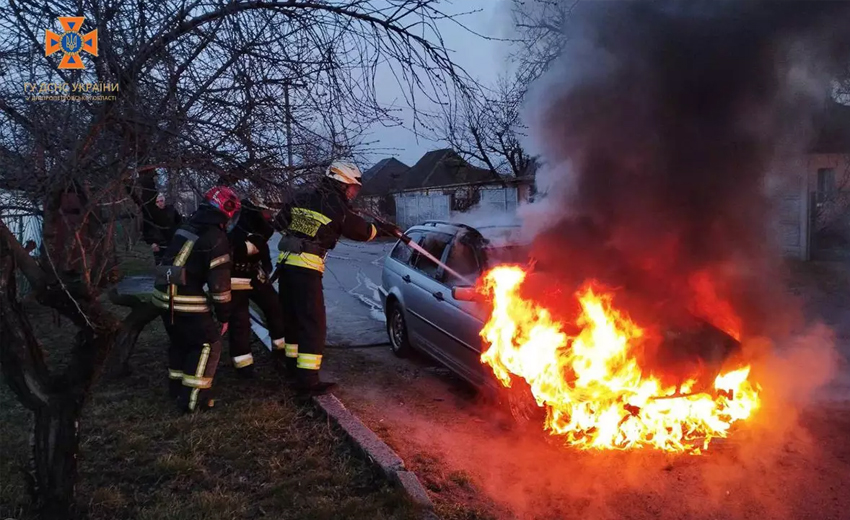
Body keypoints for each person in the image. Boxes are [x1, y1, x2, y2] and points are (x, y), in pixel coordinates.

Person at [273, 161, 401, 394]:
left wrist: (302, 231)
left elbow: (279, 222)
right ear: (341, 184)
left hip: (286, 265)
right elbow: (361, 232)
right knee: (313, 324)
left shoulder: (302, 198)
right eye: (353, 187)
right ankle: (308, 381)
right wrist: (384, 229)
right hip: (307, 269)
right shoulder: (335, 206)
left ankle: (291, 368)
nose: (354, 193)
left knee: (292, 318)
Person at [152, 186, 240, 413]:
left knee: (181, 341)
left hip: (163, 296)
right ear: (227, 211)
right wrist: (224, 315)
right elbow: (220, 286)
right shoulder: (216, 237)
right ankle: (194, 400)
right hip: (185, 300)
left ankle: (176, 389)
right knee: (208, 344)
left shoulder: (186, 227)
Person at [226, 195, 288, 378]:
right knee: (240, 323)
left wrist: (266, 268)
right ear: (255, 209)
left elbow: (263, 251)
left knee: (276, 309)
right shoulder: (237, 226)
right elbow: (241, 249)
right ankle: (244, 368)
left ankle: (280, 353)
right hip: (235, 277)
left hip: (254, 275)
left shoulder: (259, 228)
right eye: (266, 211)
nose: (269, 215)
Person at [144, 193, 183, 265]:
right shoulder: (151, 214)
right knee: (160, 264)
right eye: (157, 202)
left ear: (164, 201)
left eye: (161, 201)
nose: (160, 203)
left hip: (172, 241)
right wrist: (152, 242)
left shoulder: (171, 210)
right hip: (158, 243)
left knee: (173, 263)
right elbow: (146, 229)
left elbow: (179, 223)